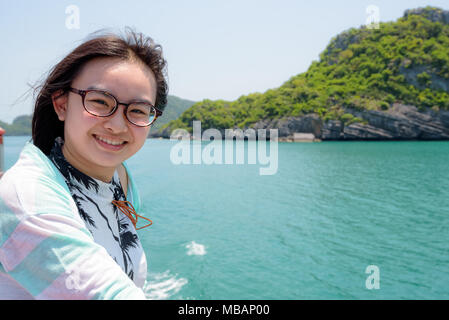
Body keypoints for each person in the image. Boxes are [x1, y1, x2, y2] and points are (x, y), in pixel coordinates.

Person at [0, 28, 168, 299]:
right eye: (100, 102)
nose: (117, 125)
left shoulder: (118, 179)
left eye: (137, 110)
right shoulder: (29, 201)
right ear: (62, 104)